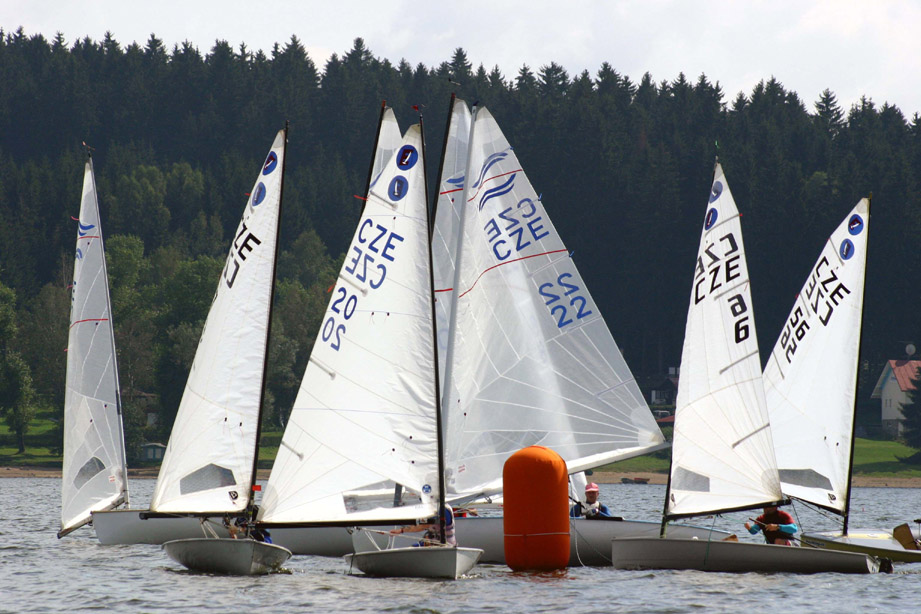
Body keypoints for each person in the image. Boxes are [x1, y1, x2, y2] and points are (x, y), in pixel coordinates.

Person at [390, 504, 456, 546]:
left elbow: (423, 525)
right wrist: (401, 530)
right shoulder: (432, 508)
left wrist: (401, 530)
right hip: (430, 545)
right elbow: (423, 524)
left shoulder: (444, 509)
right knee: (410, 549)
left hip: (445, 546)